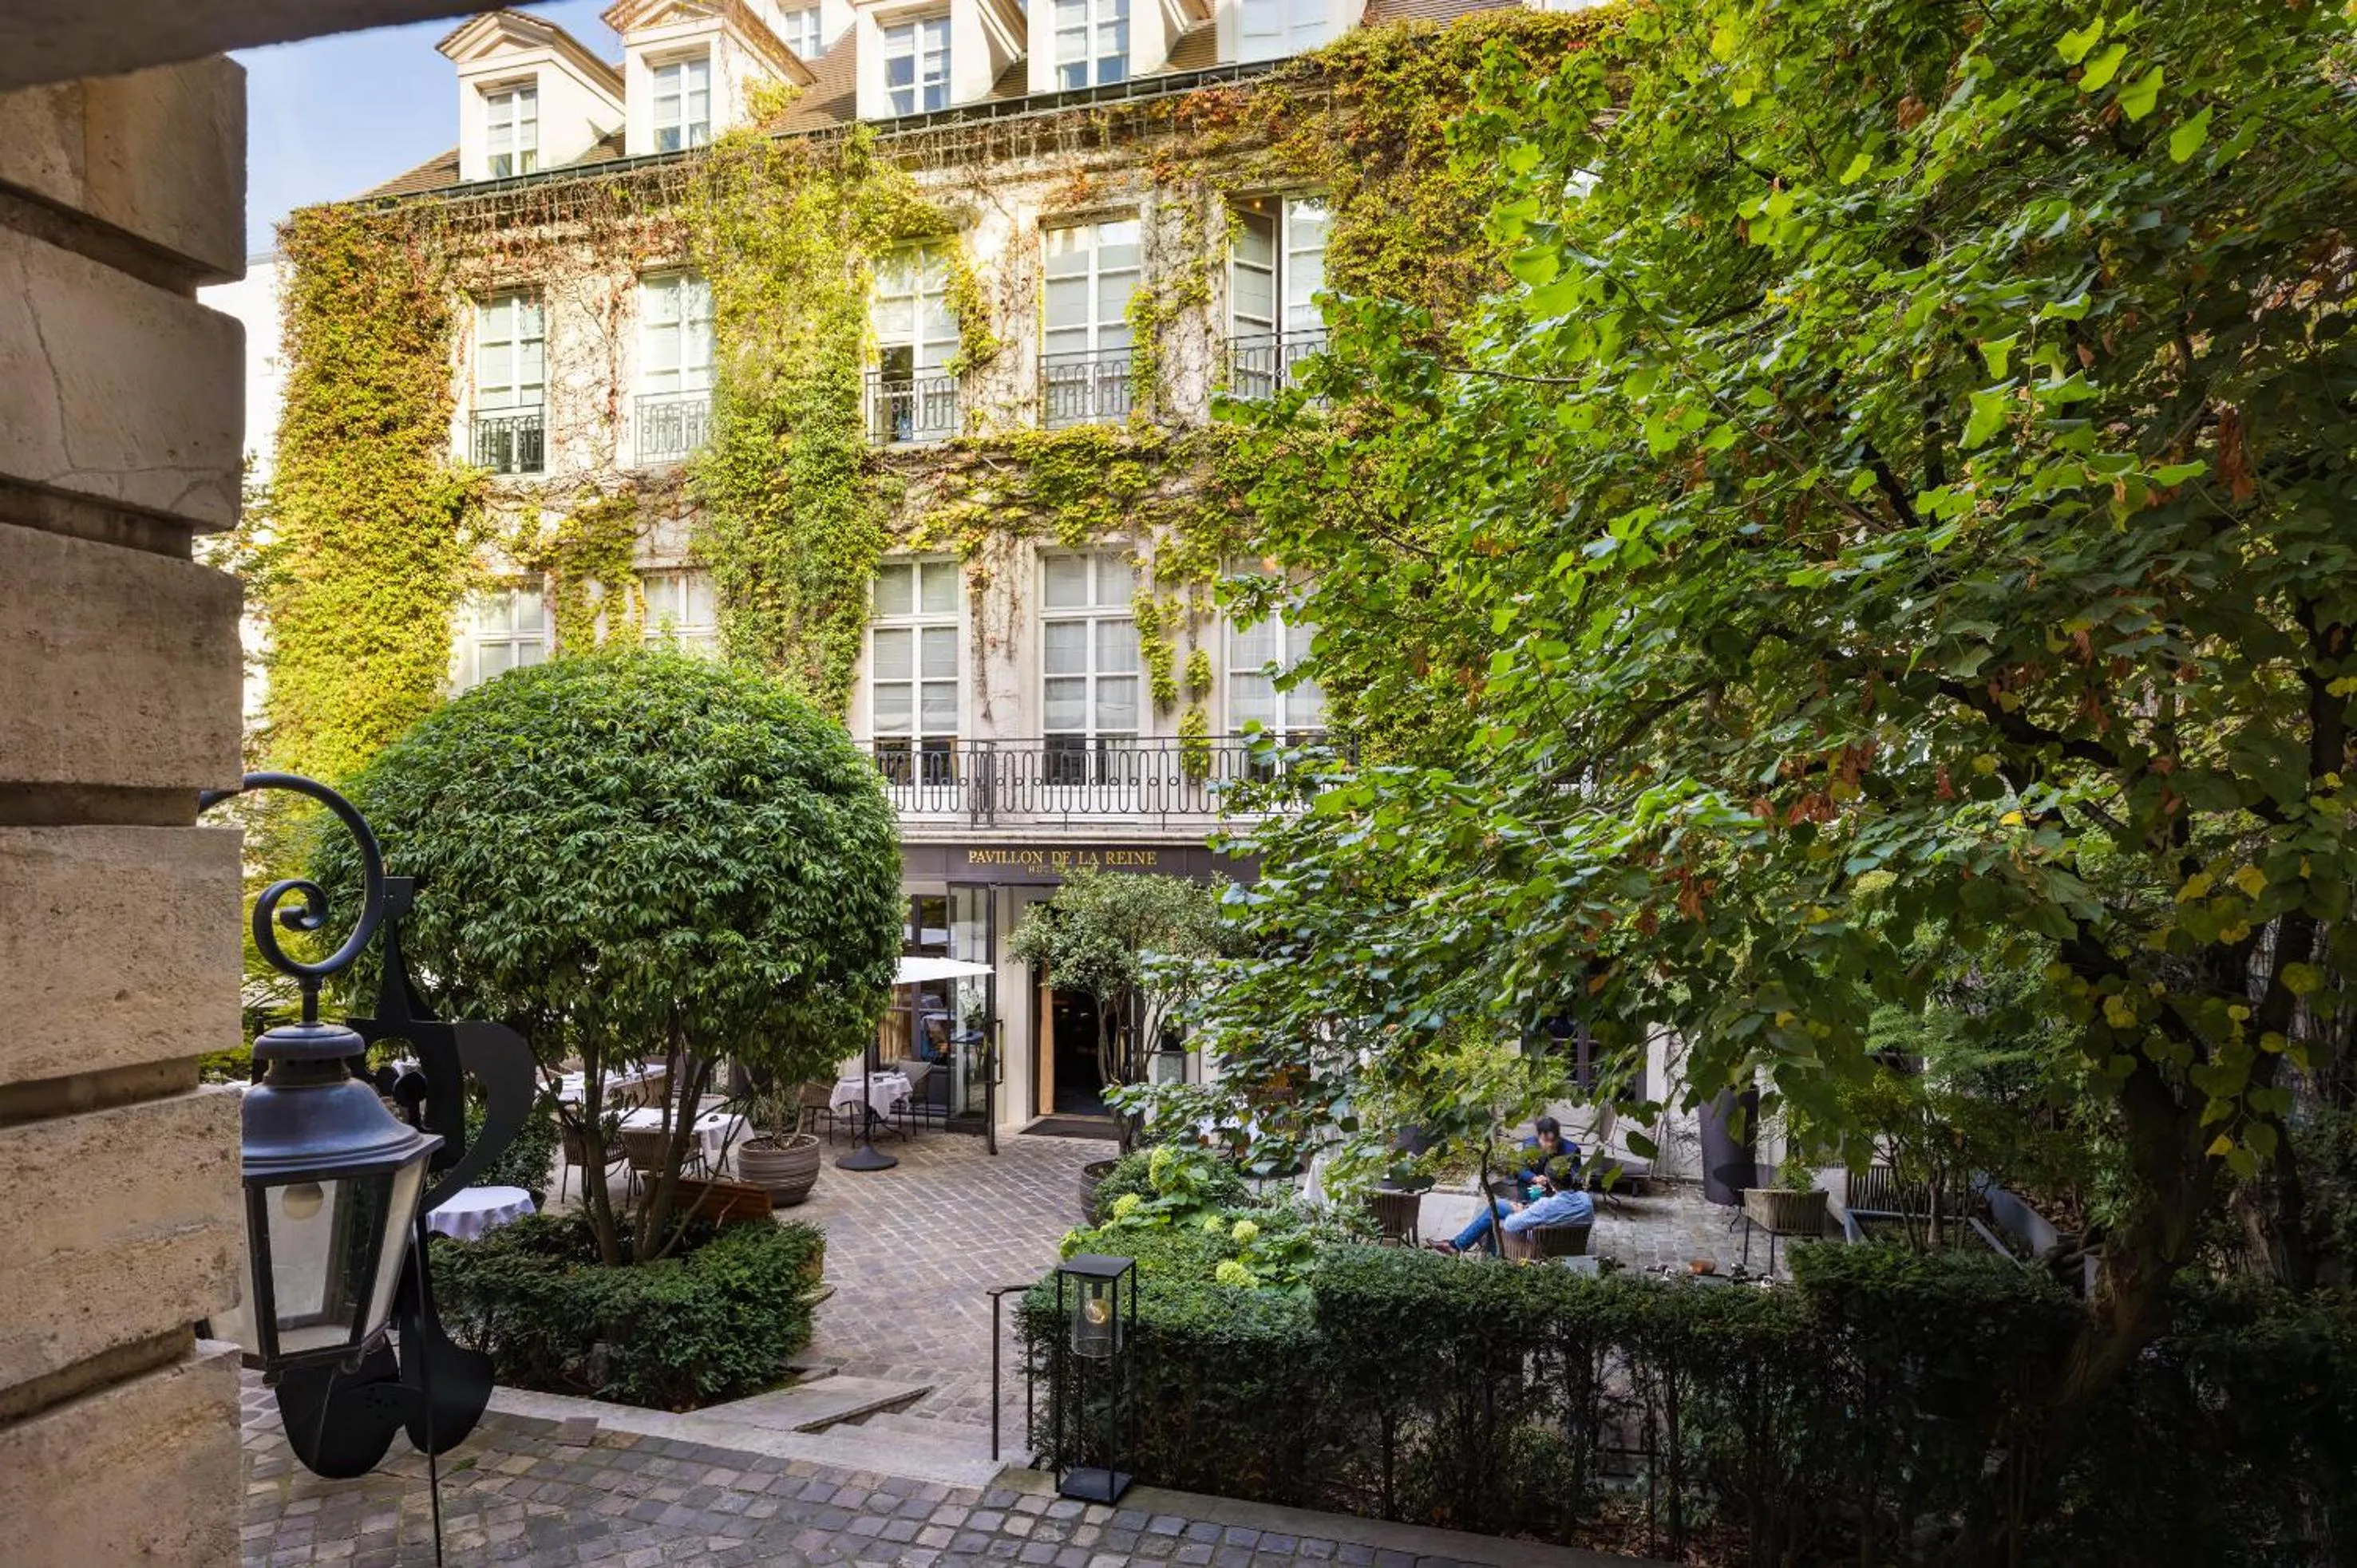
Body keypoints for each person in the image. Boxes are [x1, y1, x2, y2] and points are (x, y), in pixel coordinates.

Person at [1432, 1160, 1596, 1255]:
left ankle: (1464, 1248)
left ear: (1551, 1184)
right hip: (1570, 1245)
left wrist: (1519, 1211)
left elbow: (1511, 1225)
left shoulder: (1546, 1206)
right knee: (1498, 1209)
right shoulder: (1586, 1200)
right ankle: (1457, 1245)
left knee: (1496, 1213)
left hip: (1541, 1246)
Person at [1516, 1116, 1580, 1194]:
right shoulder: (1529, 1145)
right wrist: (1534, 1178)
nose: (1550, 1144)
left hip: (1561, 1192)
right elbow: (1521, 1168)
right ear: (1538, 1137)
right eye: (1546, 1140)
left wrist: (1556, 1181)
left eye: (1553, 1140)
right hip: (1534, 1190)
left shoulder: (1571, 1151)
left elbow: (1576, 1176)